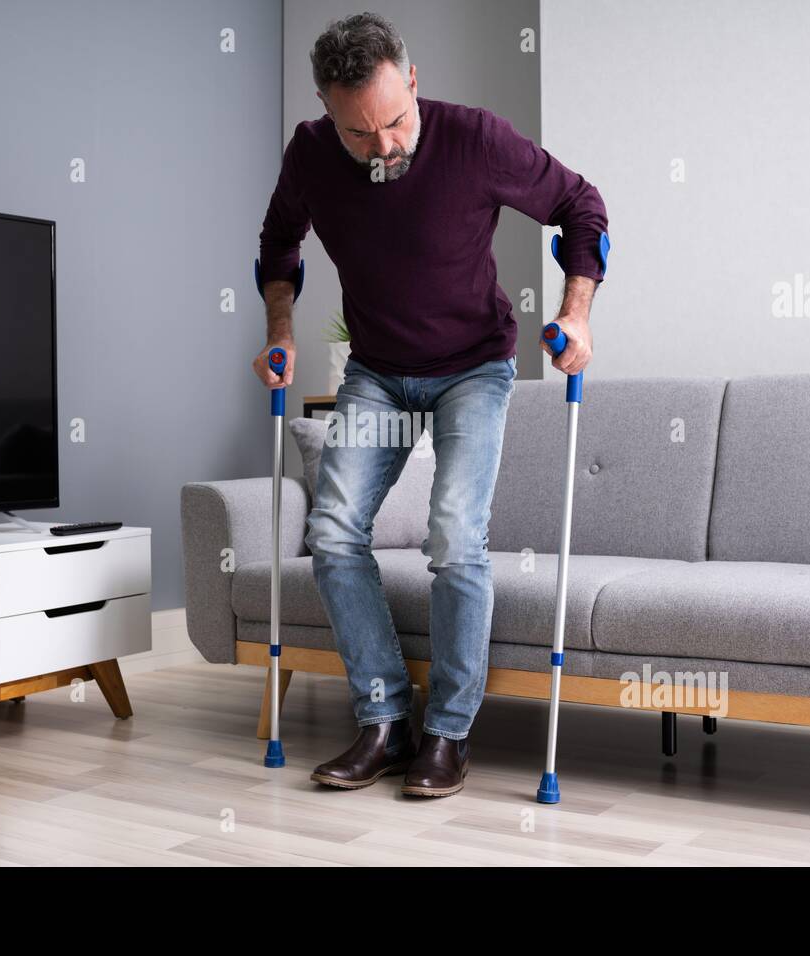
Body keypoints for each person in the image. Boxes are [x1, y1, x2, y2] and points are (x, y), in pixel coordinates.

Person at [254, 12, 607, 797]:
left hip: (473, 369)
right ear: (324, 112)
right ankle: (384, 720)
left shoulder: (475, 140)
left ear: (413, 82)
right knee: (333, 530)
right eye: (359, 133)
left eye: (396, 121)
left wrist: (576, 311)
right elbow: (278, 246)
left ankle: (448, 734)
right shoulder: (311, 156)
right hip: (378, 371)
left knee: (453, 532)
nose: (384, 147)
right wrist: (282, 329)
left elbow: (581, 206)